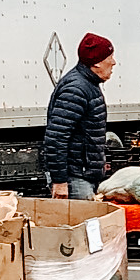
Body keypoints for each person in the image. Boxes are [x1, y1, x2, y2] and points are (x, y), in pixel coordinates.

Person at [43, 32, 116, 200]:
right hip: (75, 177)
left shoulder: (88, 84)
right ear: (97, 62)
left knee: (90, 224)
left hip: (83, 174)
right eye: (109, 57)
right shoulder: (76, 89)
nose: (113, 62)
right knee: (84, 224)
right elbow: (56, 138)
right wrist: (60, 181)